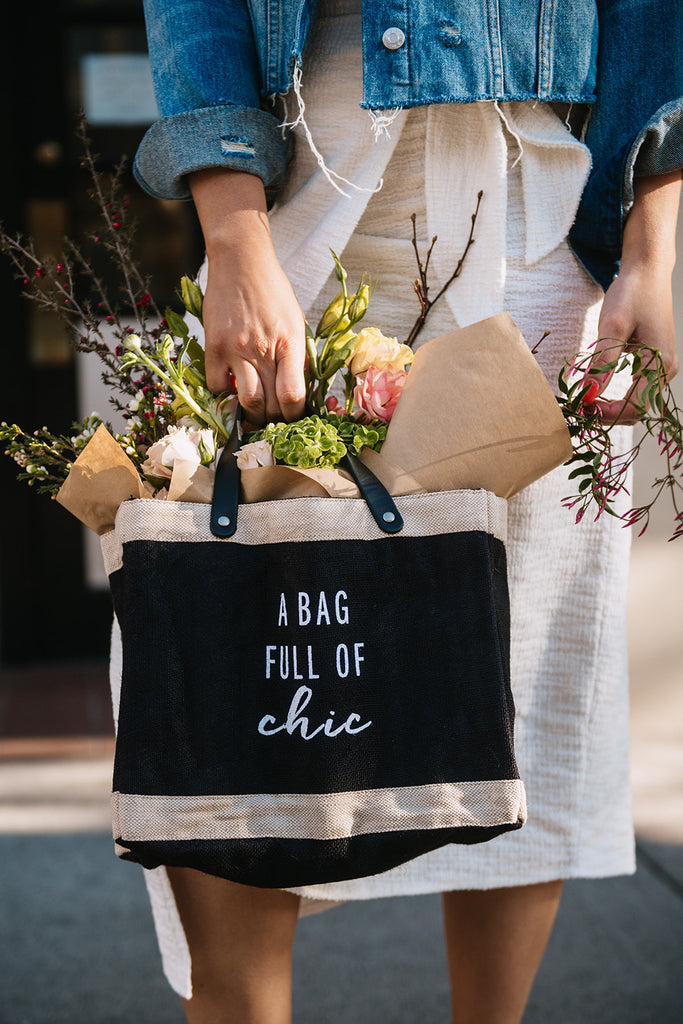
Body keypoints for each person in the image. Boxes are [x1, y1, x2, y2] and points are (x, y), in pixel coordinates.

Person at [127, 2, 683, 1021]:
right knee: (240, 696)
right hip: (304, 214)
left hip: (535, 234)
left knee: (516, 701)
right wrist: (234, 238)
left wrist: (654, 242)